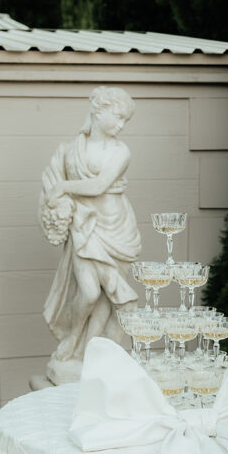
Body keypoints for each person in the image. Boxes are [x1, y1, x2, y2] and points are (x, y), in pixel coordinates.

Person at [40, 86, 142, 383]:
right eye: (118, 116)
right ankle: (72, 339)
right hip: (84, 226)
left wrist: (63, 188)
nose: (121, 125)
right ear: (100, 110)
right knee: (88, 291)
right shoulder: (71, 149)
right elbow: (53, 185)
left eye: (125, 120)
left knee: (110, 299)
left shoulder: (121, 150)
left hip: (115, 227)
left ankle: (92, 353)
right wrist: (56, 196)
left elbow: (98, 186)